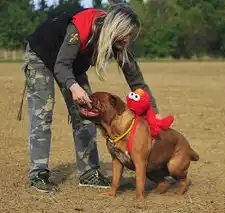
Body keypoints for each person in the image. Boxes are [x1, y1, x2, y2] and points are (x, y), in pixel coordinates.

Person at [21, 3, 161, 193]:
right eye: (125, 33)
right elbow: (61, 66)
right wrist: (74, 87)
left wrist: (154, 115)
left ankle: (88, 173)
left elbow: (136, 81)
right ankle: (38, 173)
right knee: (42, 115)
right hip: (42, 55)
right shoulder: (82, 26)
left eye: (130, 34)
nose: (127, 39)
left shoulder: (120, 42)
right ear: (113, 28)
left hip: (72, 64)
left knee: (89, 112)